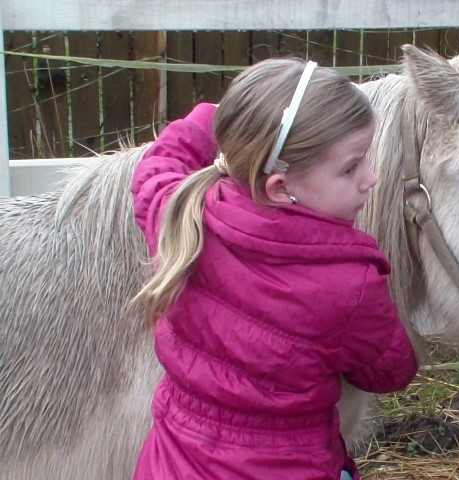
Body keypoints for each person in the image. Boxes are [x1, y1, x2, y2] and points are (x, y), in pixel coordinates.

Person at [130, 58, 419, 480]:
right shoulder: (350, 284)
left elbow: (155, 169)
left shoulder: (183, 217)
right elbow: (390, 371)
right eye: (350, 167)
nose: (370, 179)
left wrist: (216, 118)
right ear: (281, 188)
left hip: (173, 465)